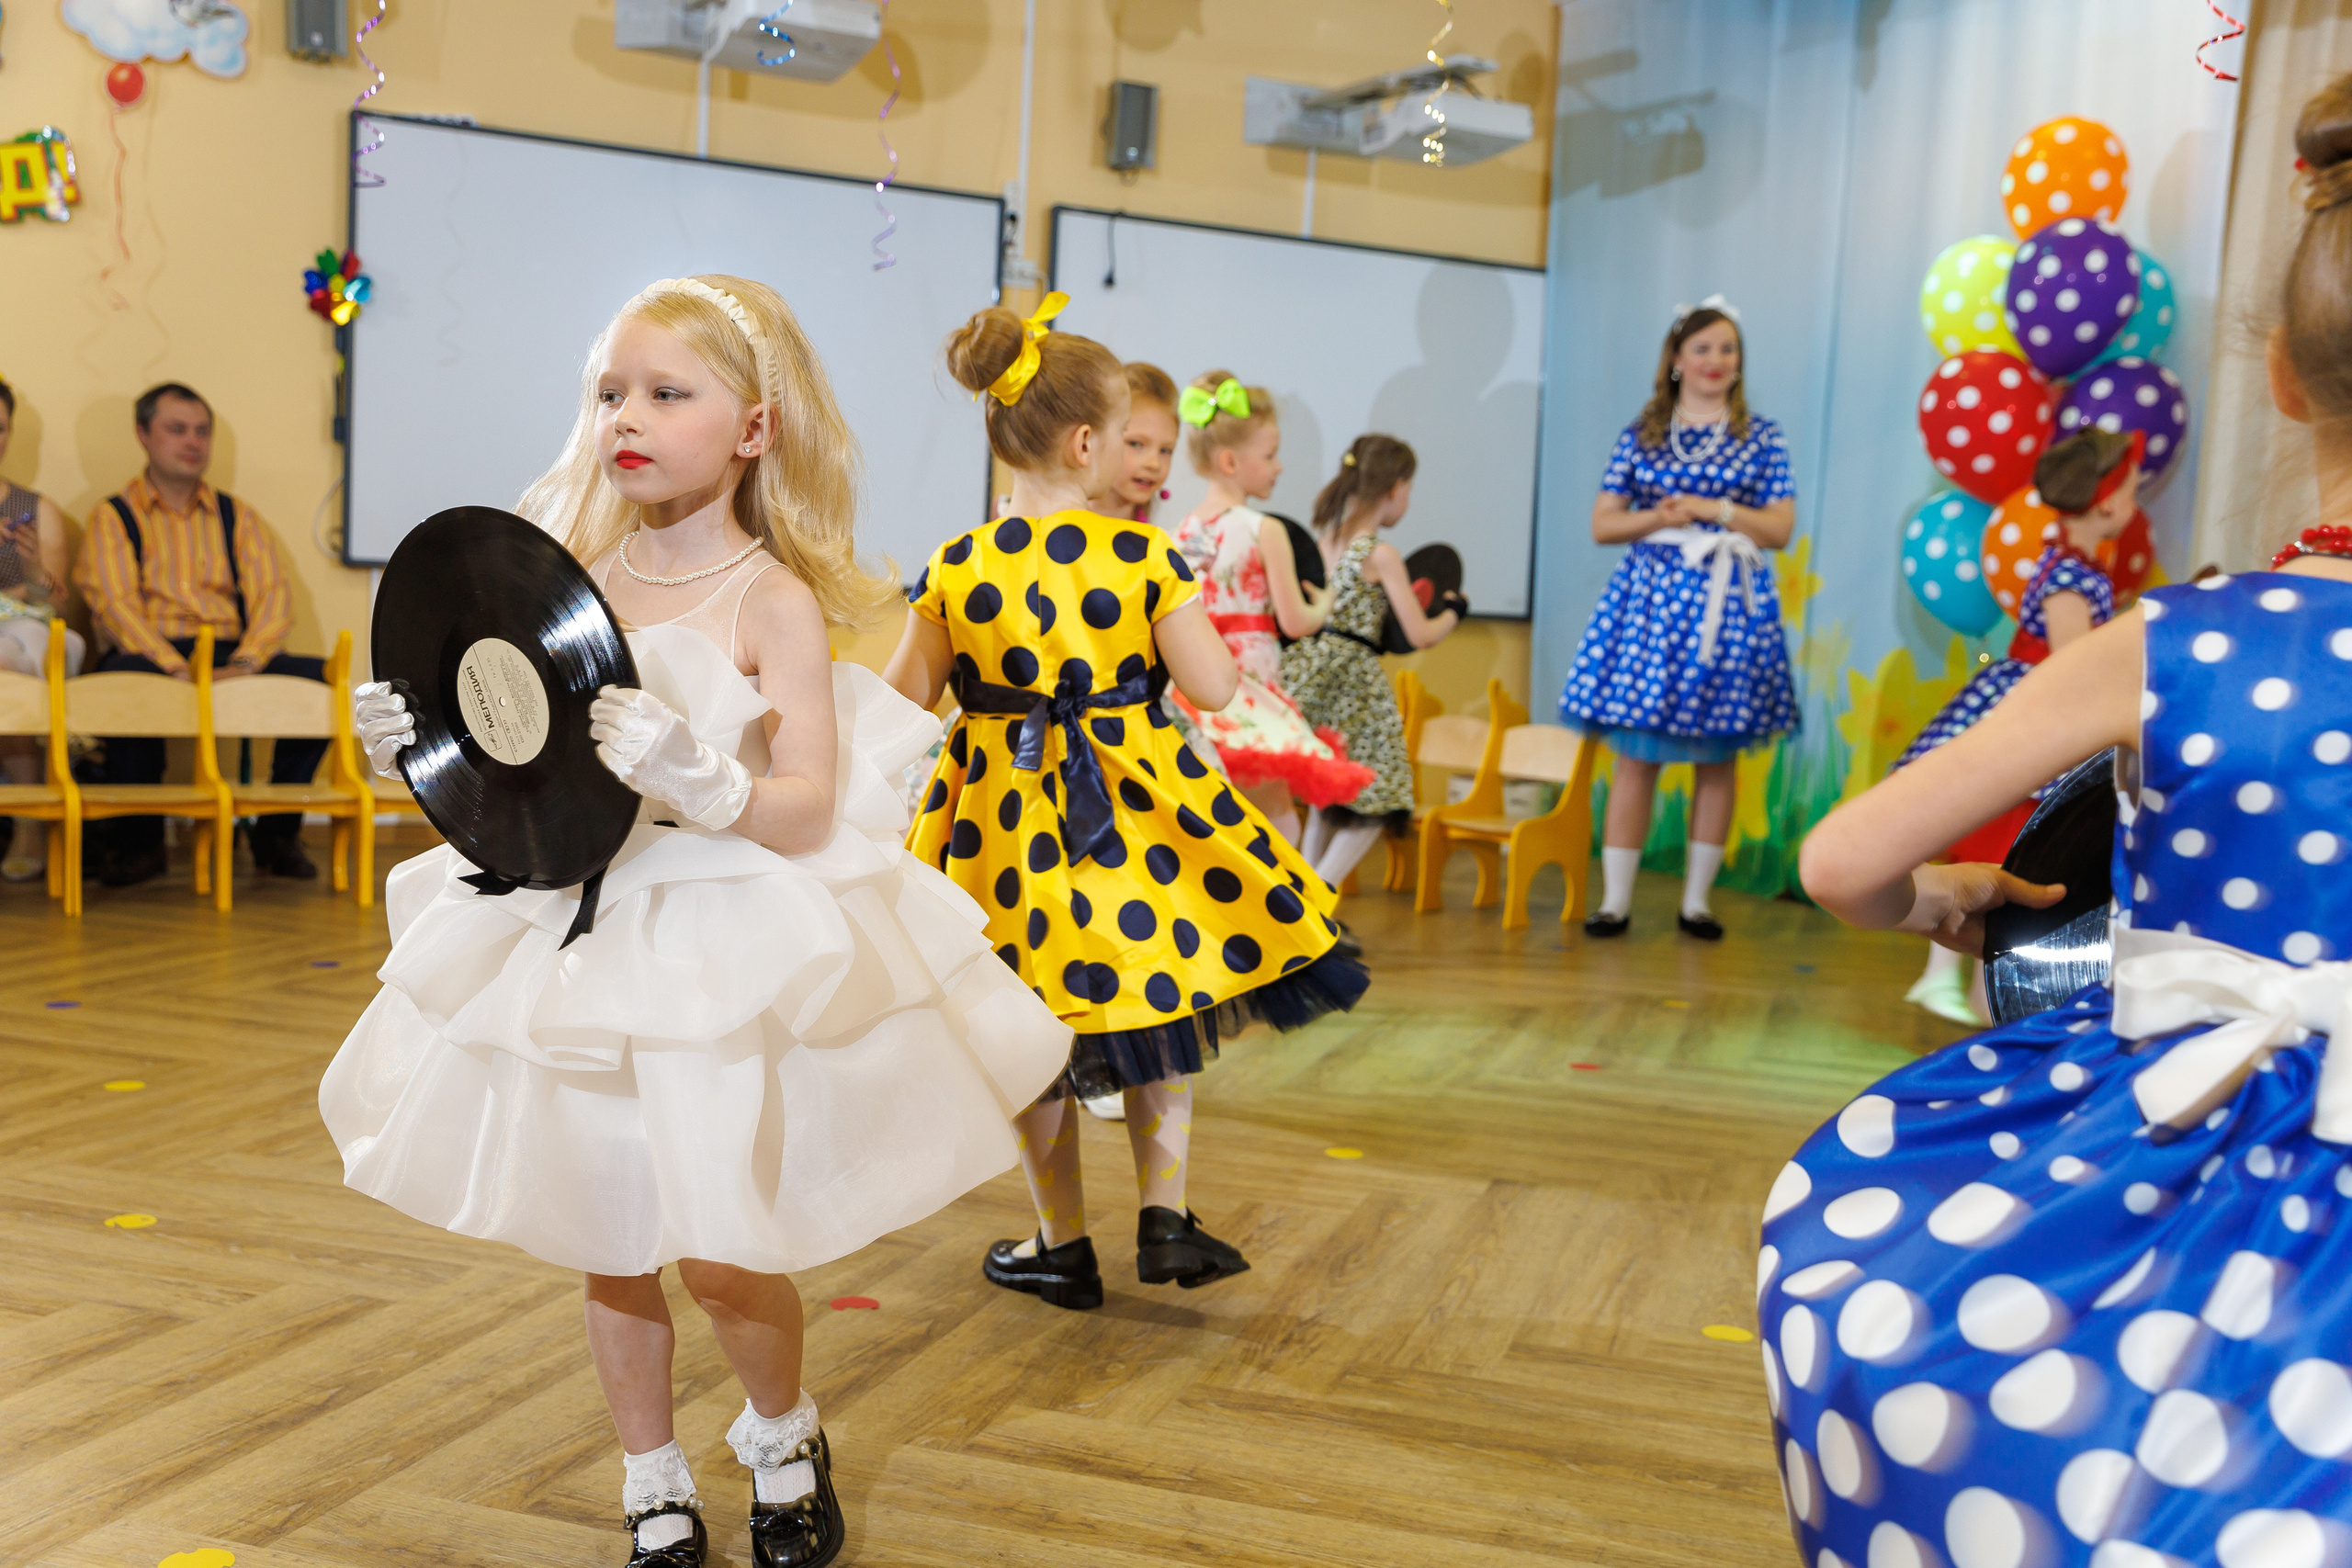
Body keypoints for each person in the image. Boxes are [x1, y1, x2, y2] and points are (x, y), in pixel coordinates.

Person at [333, 274, 1072, 1568]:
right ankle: (651, 1478)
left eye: (668, 392)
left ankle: (783, 1437)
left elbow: (807, 804)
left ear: (753, 429)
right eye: (610, 391)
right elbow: (519, 785)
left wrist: (704, 776)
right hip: (579, 944)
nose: (627, 415)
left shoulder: (768, 599)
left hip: (714, 947)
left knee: (722, 1251)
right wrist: (418, 750)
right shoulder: (564, 589)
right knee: (608, 1238)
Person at [1765, 82, 2352, 1566]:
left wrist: (1941, 900)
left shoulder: (2185, 639)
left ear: (2282, 377)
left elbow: (1843, 861)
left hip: (2200, 1147)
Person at [884, 296, 1369, 1314]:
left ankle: (1060, 1243)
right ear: (1084, 444)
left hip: (1003, 833)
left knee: (1031, 1022)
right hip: (1135, 816)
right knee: (1161, 992)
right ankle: (1164, 1214)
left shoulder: (961, 564)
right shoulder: (1145, 557)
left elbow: (901, 701)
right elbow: (1215, 689)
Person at [1556, 299, 1797, 942]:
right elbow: (1604, 523)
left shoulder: (1761, 435)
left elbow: (1780, 527)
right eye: (1703, 348)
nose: (1716, 361)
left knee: (1717, 760)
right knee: (1636, 758)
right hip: (1650, 608)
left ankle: (1697, 903)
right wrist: (1660, 516)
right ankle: (1615, 901)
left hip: (1728, 608)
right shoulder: (1643, 433)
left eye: (1727, 349)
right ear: (1676, 359)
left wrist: (1716, 509)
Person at [1892, 427, 2138, 1025]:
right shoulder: (2070, 576)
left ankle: (1956, 979)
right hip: (2040, 710)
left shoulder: (2075, 565)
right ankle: (1977, 990)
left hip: (2038, 703)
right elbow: (2072, 664)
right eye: (2132, 490)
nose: (2134, 503)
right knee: (2006, 848)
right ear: (2107, 502)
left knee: (1999, 845)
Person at [73, 383, 325, 886]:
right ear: (143, 434)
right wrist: (174, 668)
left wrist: (247, 663)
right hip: (152, 652)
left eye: (202, 432)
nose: (193, 442)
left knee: (316, 681)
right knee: (125, 680)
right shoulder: (113, 515)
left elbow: (273, 598)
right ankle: (139, 845)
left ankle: (276, 836)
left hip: (231, 653)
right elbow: (115, 605)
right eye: (177, 429)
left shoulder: (238, 516)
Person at [1170, 370, 1373, 844]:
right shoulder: (1264, 529)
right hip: (1249, 687)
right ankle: (1281, 890)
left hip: (1191, 687)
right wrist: (1324, 603)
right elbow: (1296, 621)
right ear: (1229, 461)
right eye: (1270, 455)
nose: (1279, 467)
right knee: (1277, 815)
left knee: (1209, 810)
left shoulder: (1177, 532)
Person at [1280, 434, 1462, 890]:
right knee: (1382, 791)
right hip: (1353, 682)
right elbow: (1420, 633)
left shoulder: (1325, 542)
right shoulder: (1379, 553)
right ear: (1396, 488)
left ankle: (1306, 898)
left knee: (1327, 795)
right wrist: (1453, 612)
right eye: (1409, 488)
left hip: (1309, 671)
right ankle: (1317, 898)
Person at [0, 377, 84, 884]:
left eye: (0, 428)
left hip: (22, 633)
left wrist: (32, 572)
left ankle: (29, 822)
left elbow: (53, 603)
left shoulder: (32, 508)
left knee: (15, 659)